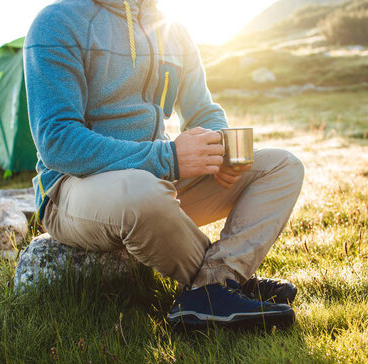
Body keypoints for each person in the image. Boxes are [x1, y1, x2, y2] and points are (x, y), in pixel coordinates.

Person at [24, 0, 304, 330]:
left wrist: (220, 150)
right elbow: (57, 140)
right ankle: (232, 287)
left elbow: (203, 111)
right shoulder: (57, 22)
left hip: (158, 181)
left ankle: (216, 285)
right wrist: (168, 158)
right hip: (72, 188)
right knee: (142, 191)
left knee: (283, 166)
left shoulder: (173, 29)